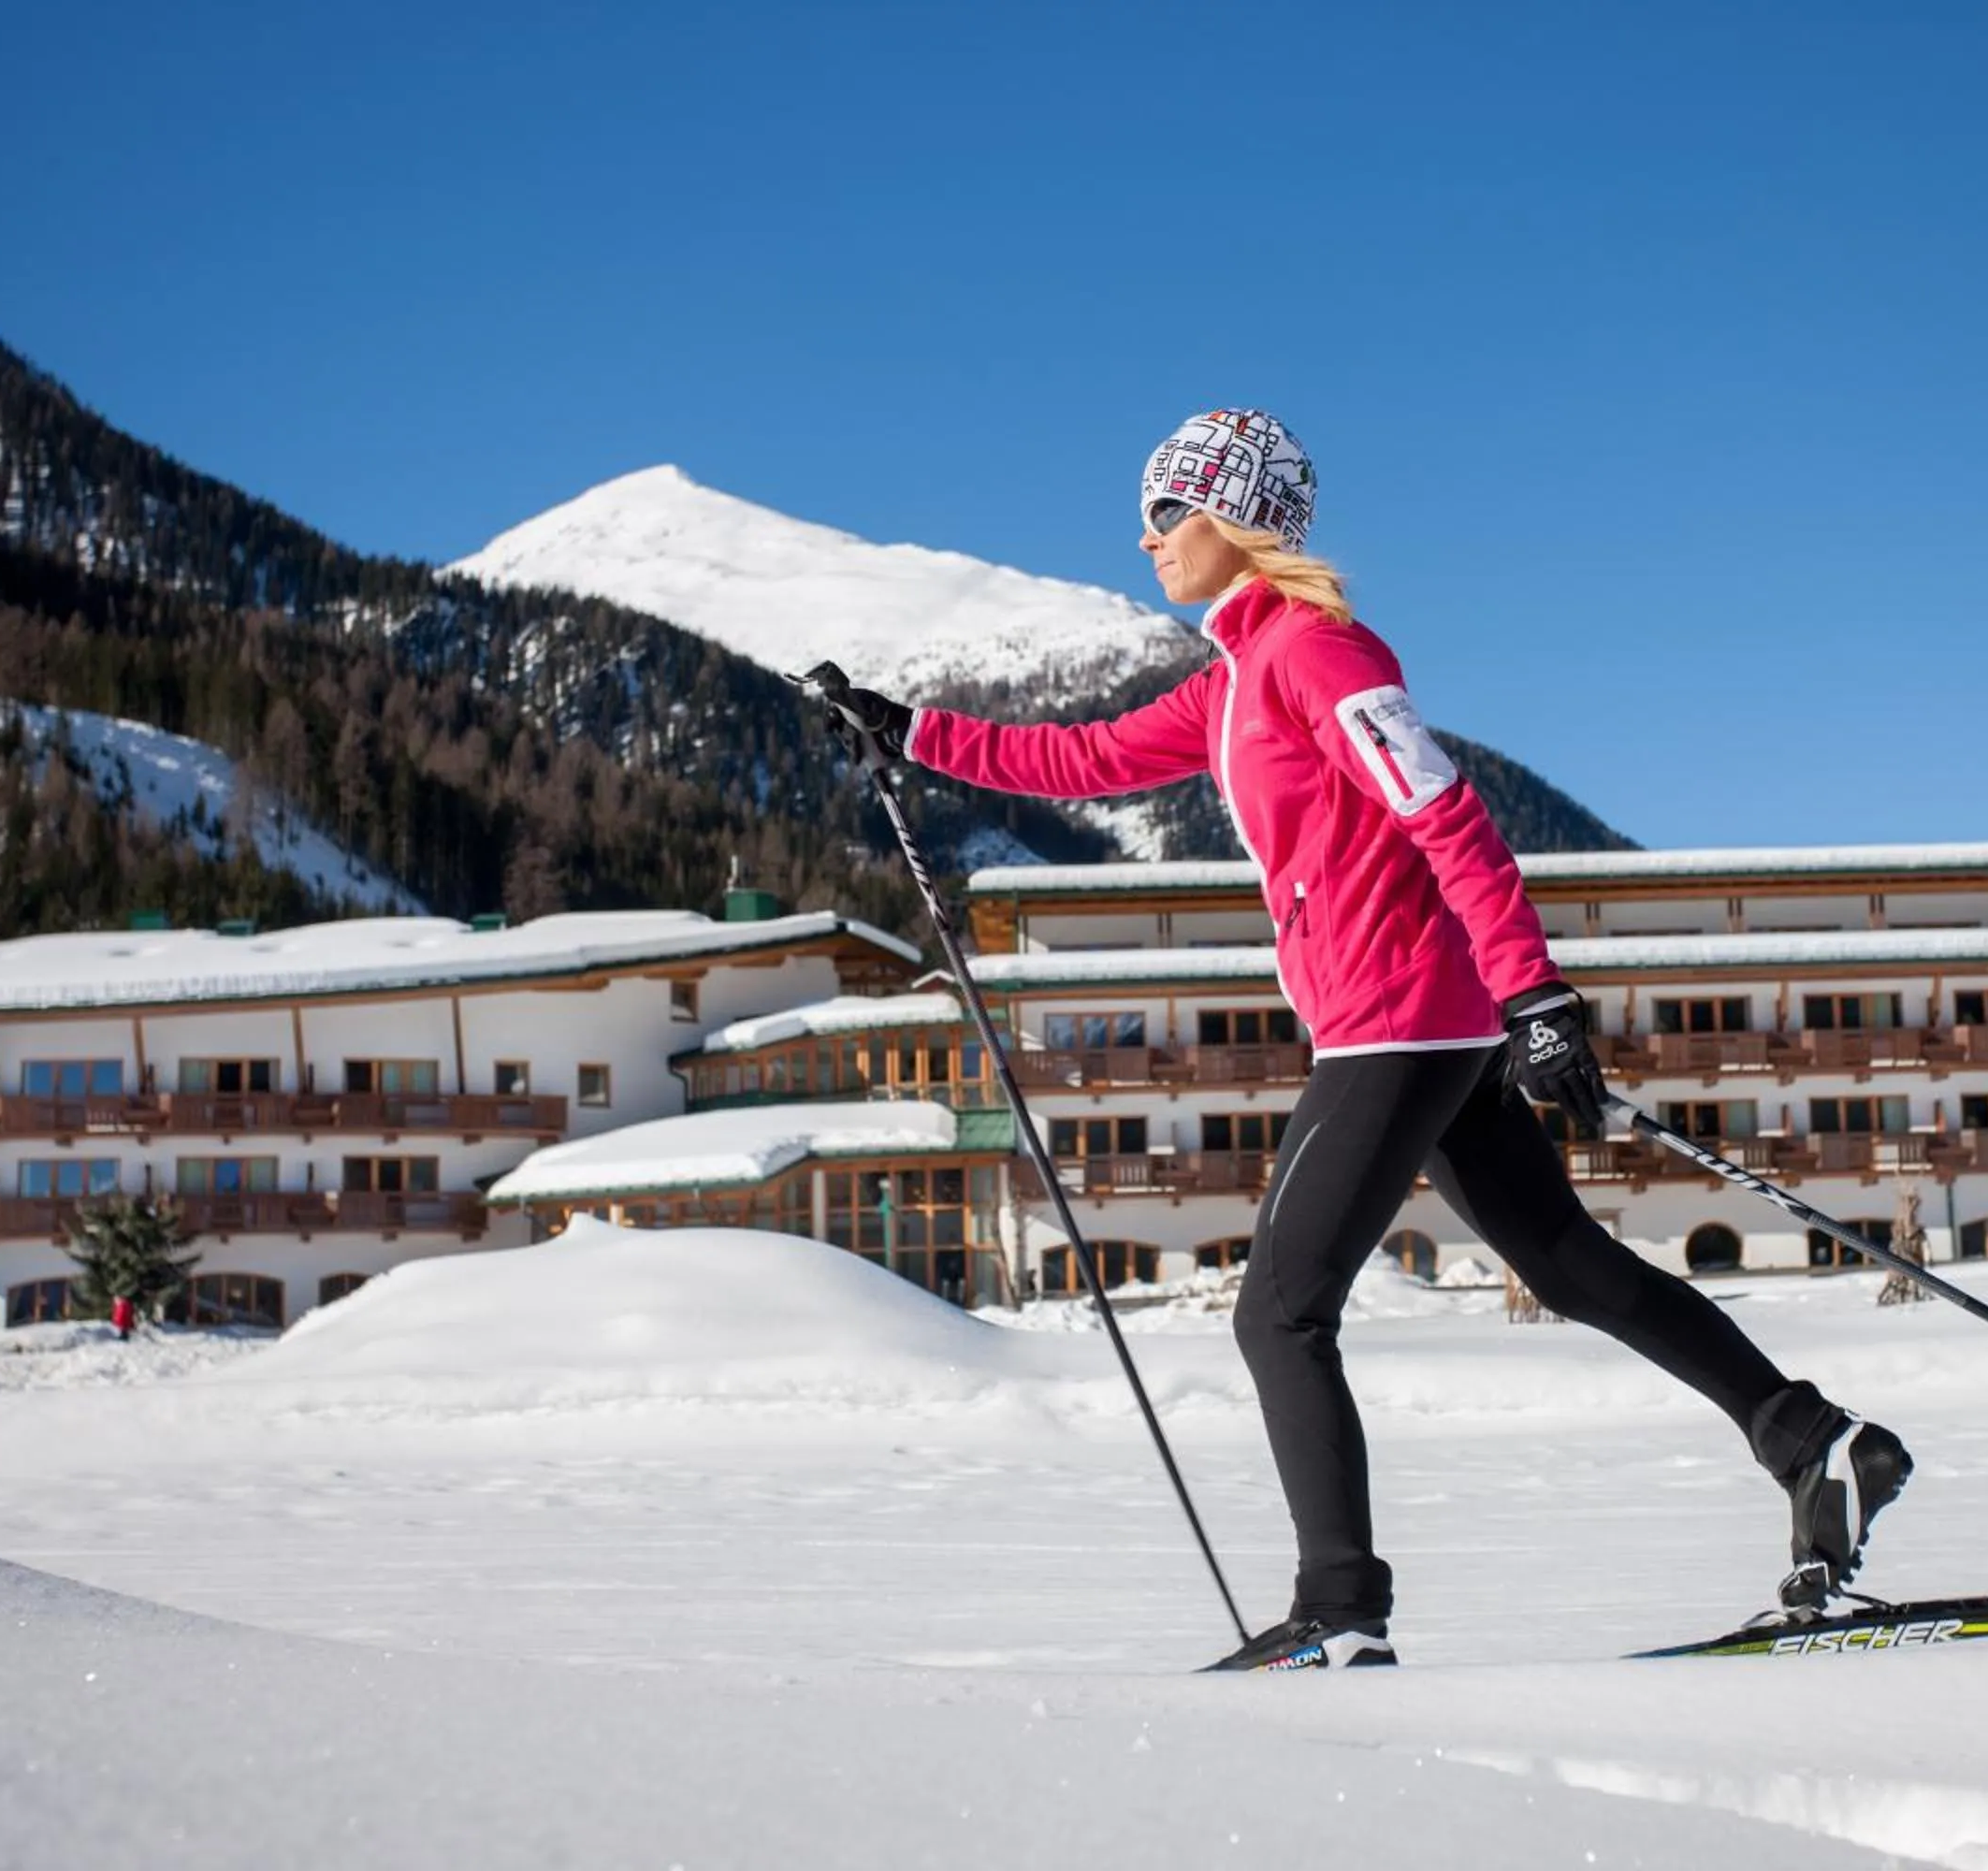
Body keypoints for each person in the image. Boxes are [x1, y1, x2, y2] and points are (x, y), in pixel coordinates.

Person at [815, 409, 1910, 1671]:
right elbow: (1087, 757)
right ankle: (1812, 1441)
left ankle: (1338, 1610)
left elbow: (1445, 812)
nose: (1147, 534)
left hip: (1400, 1024)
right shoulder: (1235, 679)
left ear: (1233, 520)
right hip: (1410, 1024)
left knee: (1278, 1314)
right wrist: (907, 730)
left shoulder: (1321, 653)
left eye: (1169, 510)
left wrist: (1533, 993)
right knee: (1564, 1265)